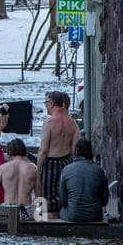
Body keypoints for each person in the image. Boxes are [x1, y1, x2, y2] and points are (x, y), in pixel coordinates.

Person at [36, 91, 80, 219]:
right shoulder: (72, 123)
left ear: (52, 103)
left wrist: (38, 168)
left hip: (50, 164)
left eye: (46, 102)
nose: (45, 106)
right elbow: (75, 148)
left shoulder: (49, 123)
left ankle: (50, 227)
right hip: (67, 162)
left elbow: (43, 149)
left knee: (49, 202)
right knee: (64, 197)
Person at [59, 138, 110, 224]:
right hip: (94, 216)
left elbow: (63, 199)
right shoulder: (99, 170)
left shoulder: (66, 170)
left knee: (61, 211)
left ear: (76, 151)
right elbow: (105, 200)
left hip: (72, 215)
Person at [0, 138, 39, 208]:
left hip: (9, 210)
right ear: (24, 151)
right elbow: (38, 196)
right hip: (25, 211)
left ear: (9, 153)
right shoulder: (34, 168)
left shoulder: (3, 168)